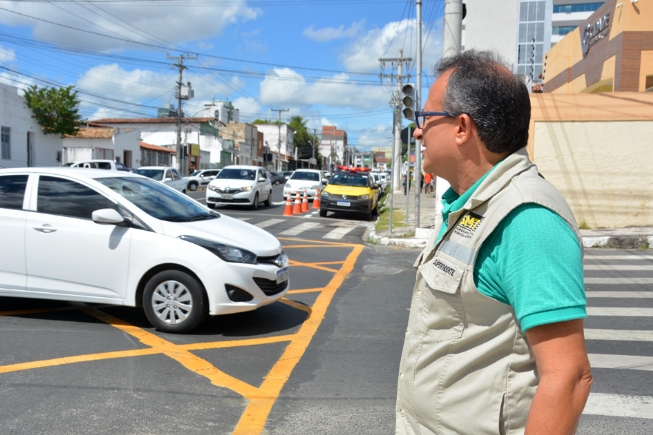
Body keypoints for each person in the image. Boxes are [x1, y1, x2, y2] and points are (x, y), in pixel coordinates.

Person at [396, 50, 592, 435]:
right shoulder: (473, 206)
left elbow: (568, 377)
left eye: (424, 119)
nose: (417, 131)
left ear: (462, 128)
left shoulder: (527, 220)